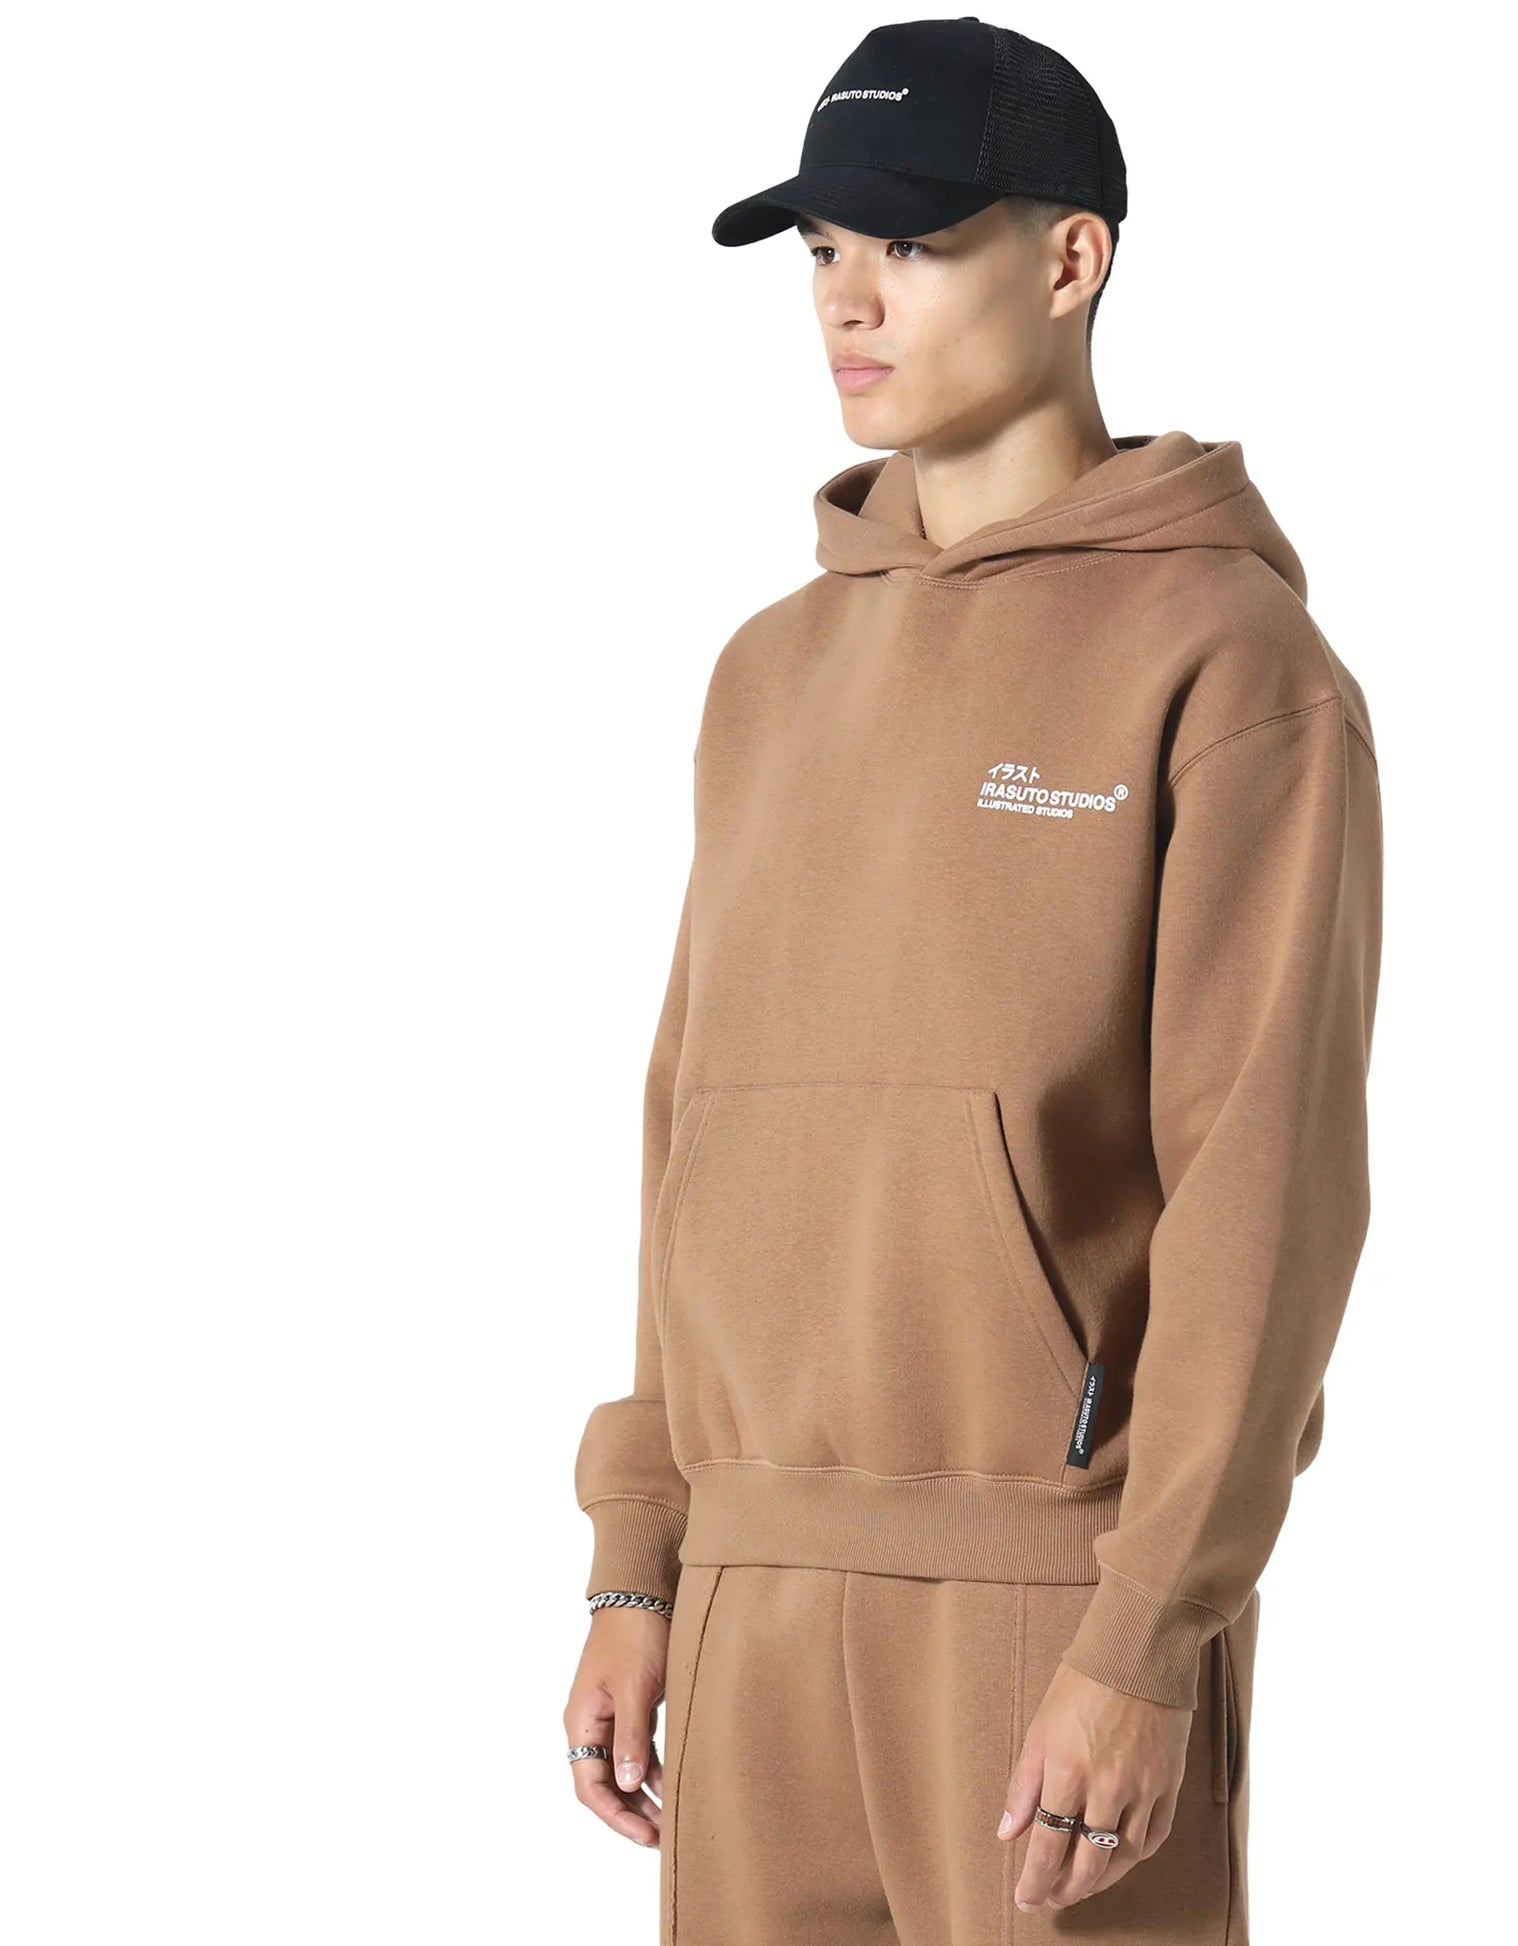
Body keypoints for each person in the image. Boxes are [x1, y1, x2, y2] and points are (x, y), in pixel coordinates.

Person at [562, 17, 1384, 1941]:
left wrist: (1145, 1628)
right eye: (820, 250)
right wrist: (640, 1552)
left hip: (1043, 1601)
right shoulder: (767, 671)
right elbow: (690, 1133)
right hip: (748, 1594)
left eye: (912, 243)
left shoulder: (1229, 663)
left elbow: (1261, 1187)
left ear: (1069, 257)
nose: (846, 299)